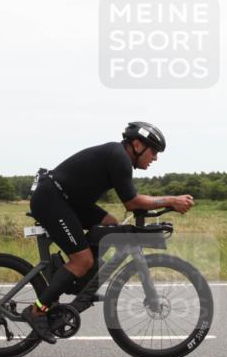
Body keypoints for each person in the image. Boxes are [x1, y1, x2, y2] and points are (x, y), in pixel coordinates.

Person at [23, 121, 195, 343]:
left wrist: (165, 205)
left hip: (69, 200)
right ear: (137, 145)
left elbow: (135, 203)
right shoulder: (119, 158)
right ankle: (37, 311)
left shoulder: (120, 157)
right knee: (81, 259)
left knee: (110, 225)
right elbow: (132, 203)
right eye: (153, 151)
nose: (155, 158)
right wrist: (171, 199)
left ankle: (76, 279)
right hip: (52, 199)